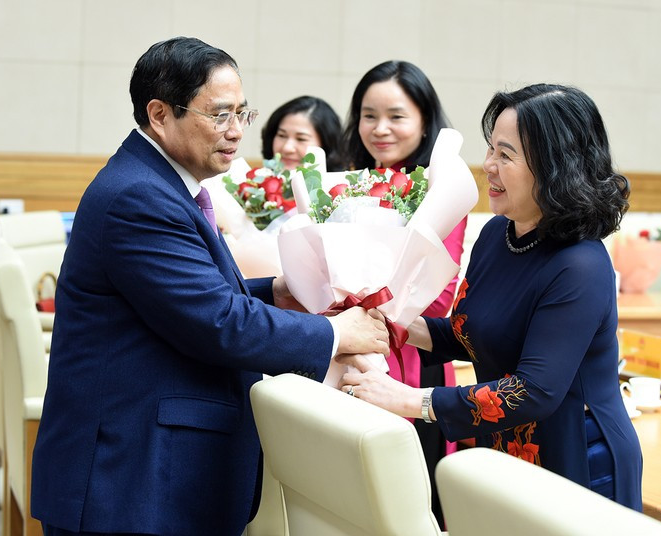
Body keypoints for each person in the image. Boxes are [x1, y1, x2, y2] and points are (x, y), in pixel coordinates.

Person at [30, 37, 390, 536]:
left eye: (243, 113)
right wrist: (338, 334)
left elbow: (185, 297)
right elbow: (217, 322)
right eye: (220, 115)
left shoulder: (161, 183)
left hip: (142, 464)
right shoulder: (139, 196)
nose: (237, 131)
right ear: (160, 114)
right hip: (129, 474)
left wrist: (275, 290)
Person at [339, 83, 643, 511]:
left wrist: (408, 399)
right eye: (490, 150)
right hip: (504, 451)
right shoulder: (496, 237)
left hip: (576, 457)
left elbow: (535, 390)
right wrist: (392, 325)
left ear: (554, 165)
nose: (488, 166)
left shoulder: (581, 265)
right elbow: (471, 335)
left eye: (505, 154)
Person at [341, 59, 466, 525]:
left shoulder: (441, 191)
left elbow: (436, 299)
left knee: (405, 505)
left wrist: (363, 302)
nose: (380, 128)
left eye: (396, 115)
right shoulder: (349, 183)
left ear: (424, 121)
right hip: (351, 351)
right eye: (369, 115)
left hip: (410, 359)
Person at [260, 95, 344, 171]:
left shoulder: (347, 187)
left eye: (301, 139)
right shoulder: (255, 183)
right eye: (282, 135)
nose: (287, 148)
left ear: (326, 145)